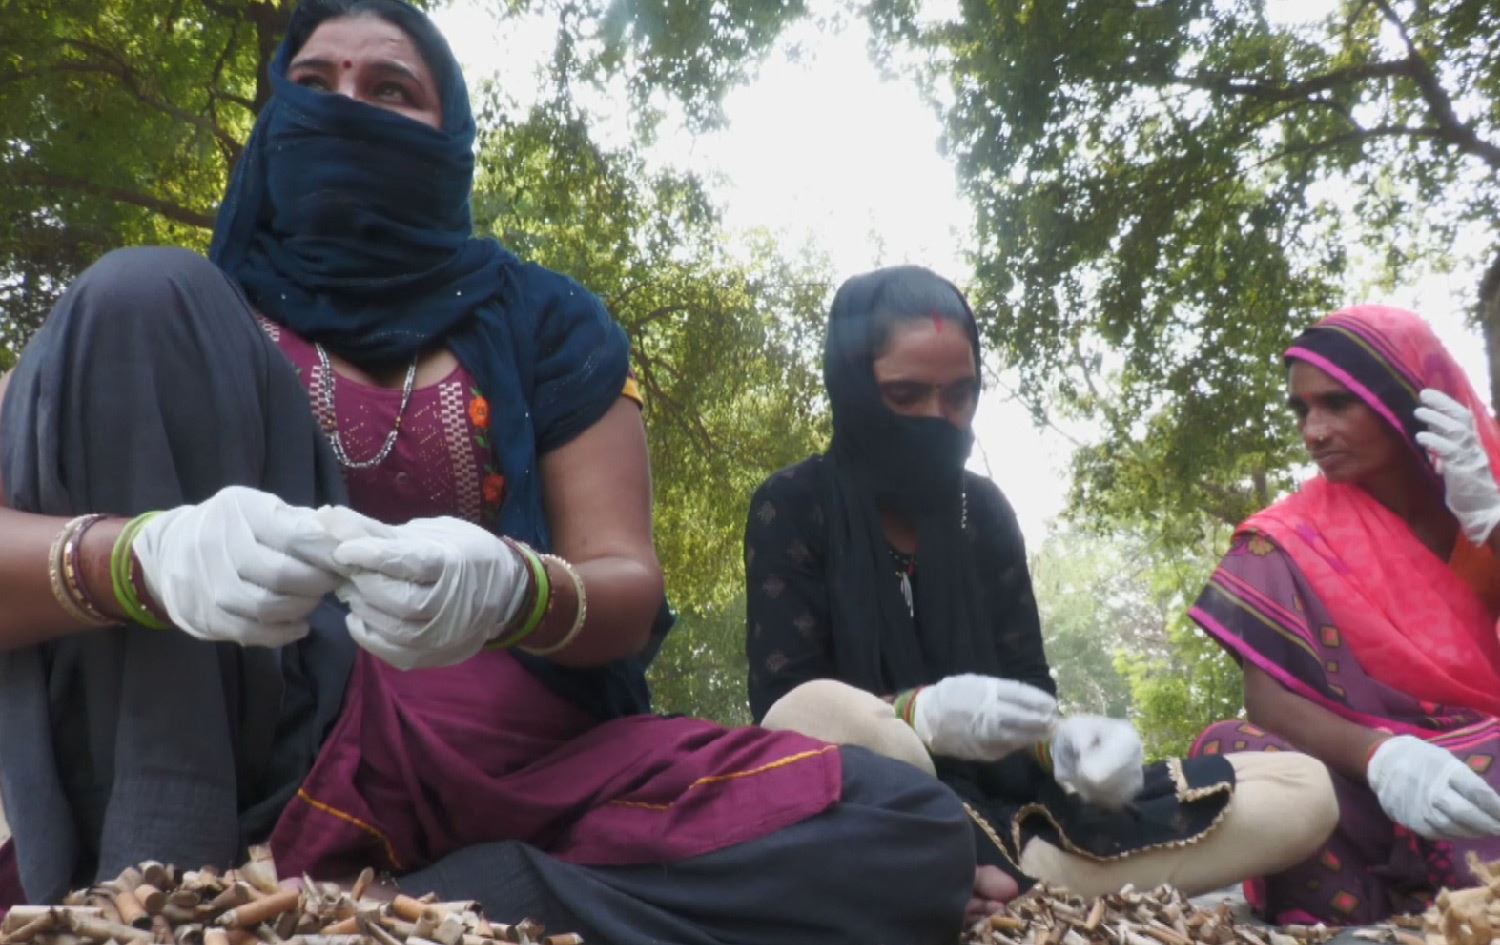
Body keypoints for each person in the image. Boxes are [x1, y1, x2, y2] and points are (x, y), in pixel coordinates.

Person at [0, 3, 977, 942]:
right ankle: (167, 887)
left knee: (903, 829)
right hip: (262, 755)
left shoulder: (549, 322)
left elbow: (626, 587)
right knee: (136, 284)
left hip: (517, 766)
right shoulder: (165, 328)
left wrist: (517, 590)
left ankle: (410, 912)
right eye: (314, 84)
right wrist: (142, 557)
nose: (346, 107)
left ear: (450, 137)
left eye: (390, 89)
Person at [744, 265, 1340, 921]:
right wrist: (919, 714)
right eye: (906, 394)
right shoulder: (794, 503)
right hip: (875, 806)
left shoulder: (982, 512)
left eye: (959, 395)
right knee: (826, 714)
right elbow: (784, 710)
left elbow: (1027, 687)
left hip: (1018, 812)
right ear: (855, 386)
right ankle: (961, 869)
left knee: (1303, 789)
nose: (938, 418)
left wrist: (1067, 746)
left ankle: (981, 882)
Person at [1188, 304, 1500, 924]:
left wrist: (1490, 524)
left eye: (1336, 404)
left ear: (1404, 400)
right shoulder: (1283, 538)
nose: (1313, 432)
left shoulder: (1482, 504)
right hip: (1363, 784)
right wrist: (1385, 758)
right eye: (1301, 411)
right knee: (1228, 753)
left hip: (1481, 769)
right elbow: (1267, 701)